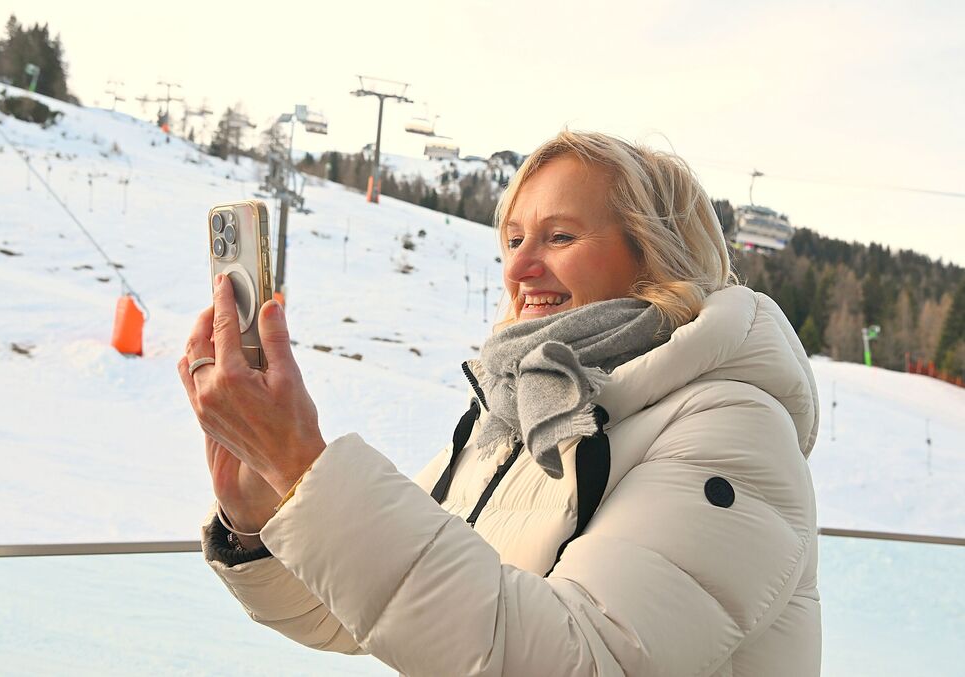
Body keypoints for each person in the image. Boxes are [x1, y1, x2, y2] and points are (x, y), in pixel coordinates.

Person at [178, 131, 821, 676]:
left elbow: (582, 659)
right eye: (514, 240)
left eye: (559, 236)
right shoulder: (524, 407)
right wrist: (261, 512)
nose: (518, 269)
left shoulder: (731, 428)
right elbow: (362, 609)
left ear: (656, 256)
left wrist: (301, 463)